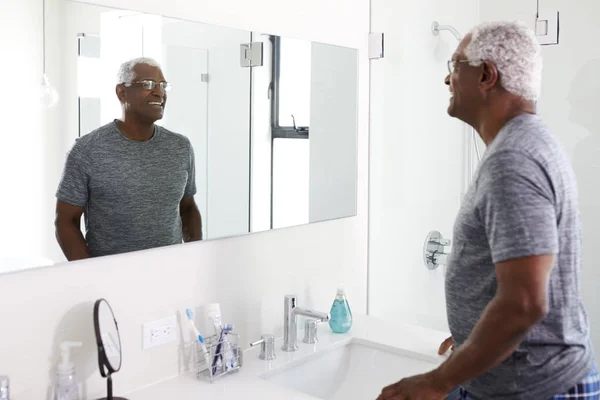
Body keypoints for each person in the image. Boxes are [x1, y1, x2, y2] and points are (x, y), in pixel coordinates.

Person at [378, 21, 597, 400]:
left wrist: (436, 380)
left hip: (533, 389)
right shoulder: (522, 144)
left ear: (485, 75)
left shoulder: (514, 158)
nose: (447, 80)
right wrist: (475, 337)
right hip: (523, 380)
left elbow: (524, 303)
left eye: (454, 65)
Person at [55, 57, 202, 261]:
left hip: (171, 272)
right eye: (148, 84)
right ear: (121, 92)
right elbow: (65, 222)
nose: (159, 92)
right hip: (112, 279)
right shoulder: (87, 150)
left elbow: (187, 208)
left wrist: (195, 258)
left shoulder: (180, 147)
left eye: (162, 85)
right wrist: (90, 275)